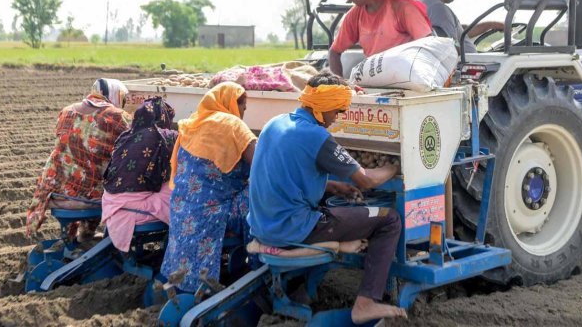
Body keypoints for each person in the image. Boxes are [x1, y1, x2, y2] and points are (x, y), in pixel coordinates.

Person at [247, 70, 406, 324]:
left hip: (262, 225)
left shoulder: (274, 123)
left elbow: (286, 176)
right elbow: (366, 180)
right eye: (337, 111)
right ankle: (366, 303)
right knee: (389, 219)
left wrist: (332, 186)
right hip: (292, 229)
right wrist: (396, 166)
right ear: (322, 107)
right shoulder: (318, 137)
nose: (337, 118)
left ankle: (303, 290)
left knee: (335, 210)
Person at [160, 82, 257, 292]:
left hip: (182, 210)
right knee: (259, 195)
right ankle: (258, 260)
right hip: (212, 212)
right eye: (243, 105)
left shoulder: (192, 124)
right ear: (232, 104)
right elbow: (262, 166)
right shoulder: (233, 125)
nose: (244, 111)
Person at [26, 78, 131, 239]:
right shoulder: (117, 116)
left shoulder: (66, 111)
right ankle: (91, 234)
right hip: (87, 195)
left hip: (55, 189)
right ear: (116, 95)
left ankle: (79, 236)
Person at [328, 0, 433, 77]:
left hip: (406, 77)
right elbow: (334, 52)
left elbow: (429, 45)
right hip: (373, 78)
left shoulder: (402, 8)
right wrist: (338, 82)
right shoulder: (355, 15)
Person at [101, 97, 178, 252]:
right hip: (133, 205)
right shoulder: (166, 137)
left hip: (110, 202)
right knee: (179, 189)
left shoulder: (125, 135)